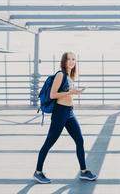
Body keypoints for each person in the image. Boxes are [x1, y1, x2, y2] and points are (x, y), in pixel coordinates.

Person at [33, 52, 97, 184]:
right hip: (60, 113)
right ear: (64, 61)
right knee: (49, 142)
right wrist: (71, 92)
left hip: (69, 113)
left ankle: (84, 171)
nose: (72, 62)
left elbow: (67, 95)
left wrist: (75, 92)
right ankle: (38, 172)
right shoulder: (60, 74)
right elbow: (52, 95)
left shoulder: (69, 76)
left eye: (74, 59)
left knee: (79, 140)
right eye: (69, 59)